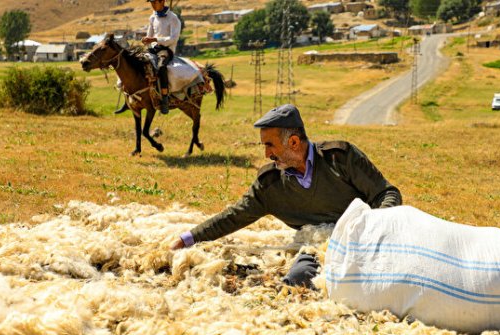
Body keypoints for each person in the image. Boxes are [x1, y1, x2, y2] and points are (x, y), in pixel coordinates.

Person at [170, 104, 402, 288]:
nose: (266, 153)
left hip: (367, 242)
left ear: (293, 142)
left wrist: (371, 229)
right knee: (297, 281)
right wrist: (188, 238)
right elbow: (234, 216)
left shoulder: (340, 158)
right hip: (320, 249)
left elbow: (386, 193)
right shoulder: (270, 185)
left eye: (270, 145)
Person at [115, 0, 180, 115]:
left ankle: (164, 99)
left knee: (161, 68)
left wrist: (155, 40)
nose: (153, 5)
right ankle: (128, 99)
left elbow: (173, 38)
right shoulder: (152, 17)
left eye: (155, 2)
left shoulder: (173, 18)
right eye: (151, 3)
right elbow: (149, 35)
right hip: (153, 49)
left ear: (162, 2)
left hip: (166, 50)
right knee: (132, 62)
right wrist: (146, 40)